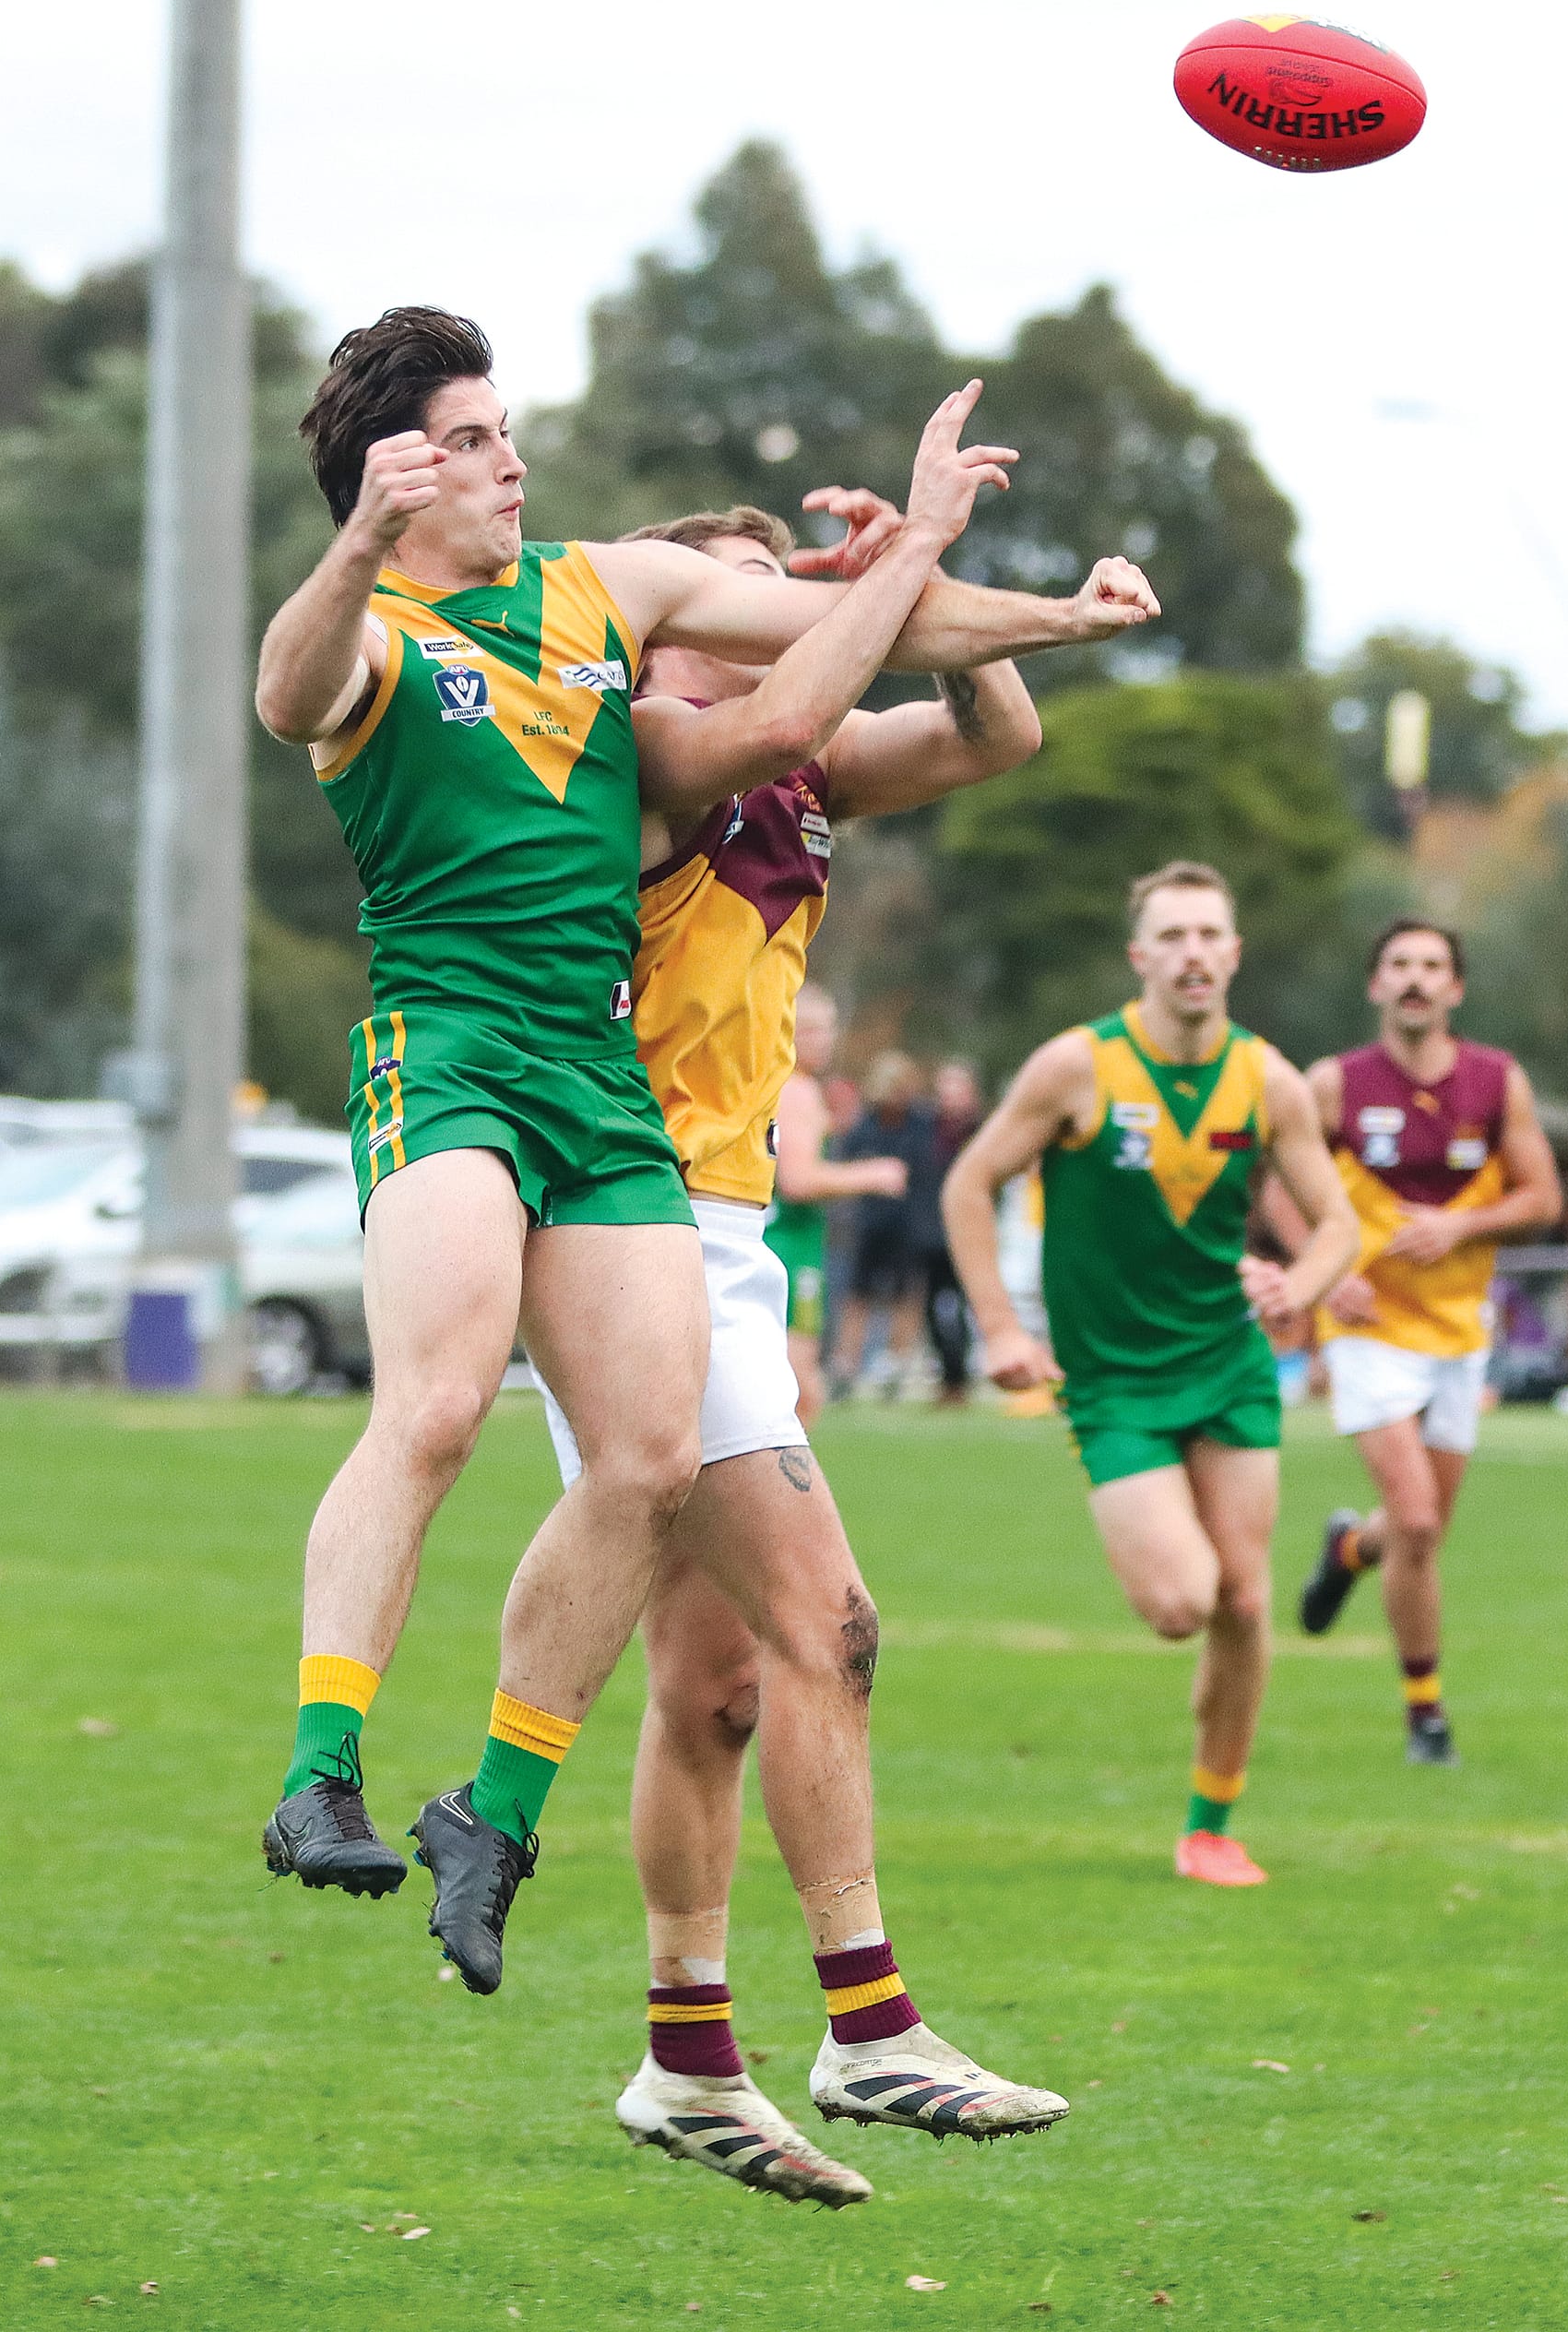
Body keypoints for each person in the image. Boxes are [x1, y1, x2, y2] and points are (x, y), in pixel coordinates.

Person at [251, 305, 1158, 1975]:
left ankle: (497, 1810)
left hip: (596, 1084)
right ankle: (320, 1772)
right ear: (394, 469)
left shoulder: (609, 587)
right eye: (474, 436)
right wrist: (361, 542)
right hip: (443, 1050)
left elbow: (844, 623)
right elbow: (285, 688)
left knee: (653, 1461)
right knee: (439, 1402)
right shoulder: (373, 635)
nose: (513, 459)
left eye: (510, 428)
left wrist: (1058, 610)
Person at [533, 502, 1152, 2201]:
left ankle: (682, 2060)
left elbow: (993, 733)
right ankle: (869, 2027)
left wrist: (929, 594)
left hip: (719, 1239)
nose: (763, 614)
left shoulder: (800, 770)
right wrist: (920, 576)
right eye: (731, 591)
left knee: (718, 1686)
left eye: (778, 587)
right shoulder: (646, 751)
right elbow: (796, 701)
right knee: (835, 1623)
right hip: (625, 1231)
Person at [942, 862, 1359, 1886]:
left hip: (1227, 1365)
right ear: (1139, 957)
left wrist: (1297, 1283)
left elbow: (1341, 1223)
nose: (1191, 954)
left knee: (1246, 1603)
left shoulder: (1269, 1079)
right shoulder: (1075, 1067)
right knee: (1183, 1602)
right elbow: (967, 1181)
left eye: (1208, 935)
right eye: (1170, 937)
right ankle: (1188, 1625)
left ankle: (1209, 1824)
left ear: (1233, 953)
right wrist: (999, 1329)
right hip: (1114, 1380)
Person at [1285, 919, 1562, 1763]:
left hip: (1457, 1330)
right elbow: (1271, 1183)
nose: (1415, 979)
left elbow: (1543, 1196)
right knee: (1414, 1515)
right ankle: (1426, 1712)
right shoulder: (1332, 1084)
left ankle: (1348, 1548)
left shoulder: (1495, 1081)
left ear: (1456, 989)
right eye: (1400, 965)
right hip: (1366, 1327)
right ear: (1375, 985)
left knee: (1419, 1531)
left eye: (1432, 966)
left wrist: (1462, 1226)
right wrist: (1327, 1272)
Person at [766, 986, 904, 1424]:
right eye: (810, 1029)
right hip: (790, 1245)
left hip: (794, 1242)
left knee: (794, 1387)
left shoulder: (787, 1086)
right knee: (798, 1388)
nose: (822, 1039)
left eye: (828, 1029)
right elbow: (797, 1181)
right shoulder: (797, 1090)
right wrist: (874, 1174)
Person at [827, 1053, 938, 1395]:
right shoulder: (866, 1126)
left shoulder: (922, 1125)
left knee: (907, 1293)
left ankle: (896, 1363)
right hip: (870, 1223)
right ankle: (846, 1364)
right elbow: (847, 1162)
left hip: (909, 1225)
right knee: (858, 1294)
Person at [918, 1060, 987, 1402]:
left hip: (969, 1232)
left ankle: (962, 1374)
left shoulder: (982, 1130)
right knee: (933, 1304)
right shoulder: (926, 1128)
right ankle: (948, 1375)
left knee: (967, 1303)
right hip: (930, 1232)